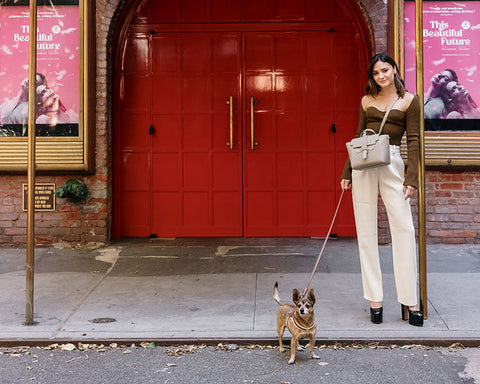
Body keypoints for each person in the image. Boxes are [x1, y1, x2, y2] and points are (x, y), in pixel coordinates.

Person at [340, 52, 423, 327]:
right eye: (376, 73)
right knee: (365, 231)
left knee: (404, 228)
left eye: (385, 70)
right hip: (363, 165)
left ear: (395, 69)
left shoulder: (409, 101)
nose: (381, 76)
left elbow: (414, 140)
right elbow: (357, 136)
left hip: (393, 162)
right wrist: (346, 171)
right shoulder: (366, 100)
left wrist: (412, 179)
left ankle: (411, 300)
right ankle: (375, 299)